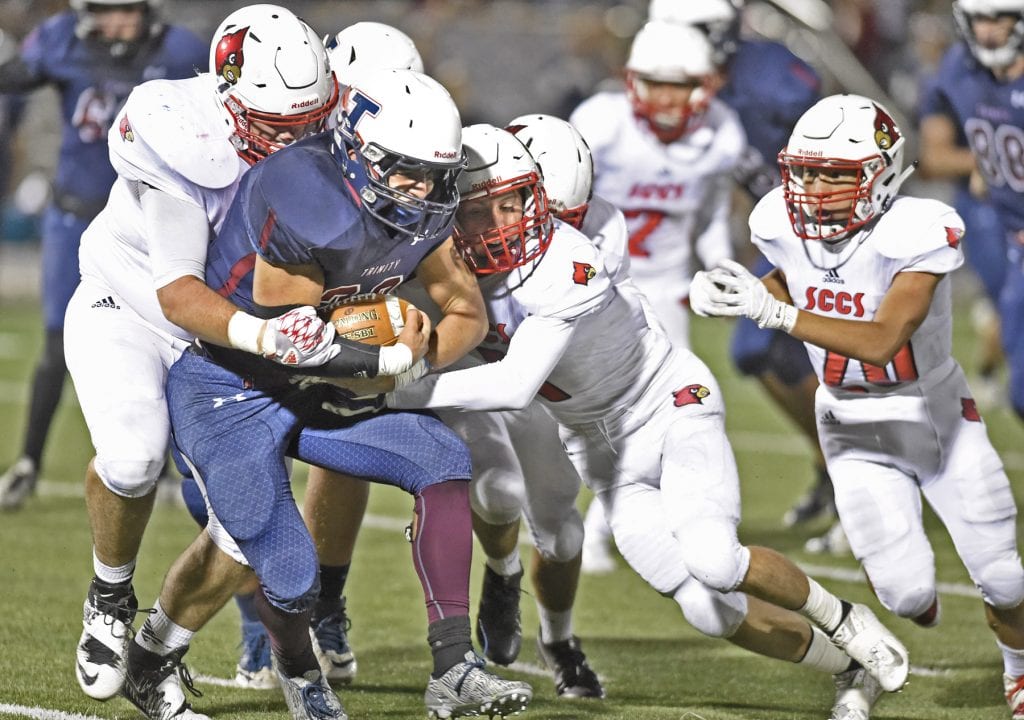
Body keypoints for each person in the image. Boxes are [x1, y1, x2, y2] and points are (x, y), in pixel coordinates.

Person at [386, 122, 911, 720]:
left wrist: (396, 391)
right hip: (599, 452)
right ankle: (849, 670)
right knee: (705, 609)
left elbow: (514, 384)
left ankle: (844, 619)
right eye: (484, 211)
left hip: (665, 408)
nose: (503, 222)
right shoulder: (454, 261)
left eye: (515, 203)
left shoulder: (569, 258)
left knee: (714, 556)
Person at [154, 68, 532, 720]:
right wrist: (382, 351)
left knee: (444, 462)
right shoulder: (303, 193)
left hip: (324, 382)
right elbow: (297, 343)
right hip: (237, 386)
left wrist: (413, 363)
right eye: (405, 172)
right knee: (287, 571)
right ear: (358, 152)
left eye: (433, 178)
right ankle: (245, 664)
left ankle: (454, 670)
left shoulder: (424, 209)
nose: (420, 193)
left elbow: (467, 314)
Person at [690, 92, 1024, 719]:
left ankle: (1019, 671)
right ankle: (914, 596)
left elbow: (881, 339)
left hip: (935, 420)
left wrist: (776, 313)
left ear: (881, 175)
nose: (815, 191)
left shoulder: (918, 229)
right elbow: (789, 277)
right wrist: (739, 290)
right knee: (904, 594)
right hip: (850, 425)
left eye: (835, 177)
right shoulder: (778, 221)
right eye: (806, 173)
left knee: (1003, 577)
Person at [62, 5, 342, 712]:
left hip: (224, 343)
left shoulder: (319, 135)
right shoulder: (177, 131)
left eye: (308, 122)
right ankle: (108, 594)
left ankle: (156, 652)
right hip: (131, 307)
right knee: (130, 459)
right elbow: (180, 292)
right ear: (229, 94)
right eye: (278, 126)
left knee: (250, 531)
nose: (297, 140)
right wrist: (272, 338)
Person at [647, 0, 844, 554]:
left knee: (839, 360)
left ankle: (859, 479)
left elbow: (842, 141)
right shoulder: (686, 86)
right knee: (756, 353)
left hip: (829, 226)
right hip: (782, 231)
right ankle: (834, 466)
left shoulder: (775, 79)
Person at [0, 0, 207, 511]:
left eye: (128, 10)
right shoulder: (59, 39)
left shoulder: (179, 50)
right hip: (75, 214)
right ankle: (27, 462)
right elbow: (16, 78)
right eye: (107, 10)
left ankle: (165, 465)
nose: (119, 22)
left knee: (170, 337)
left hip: (147, 222)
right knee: (55, 342)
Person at [568, 19, 744, 573]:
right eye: (657, 83)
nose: (669, 98)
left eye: (681, 84)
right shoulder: (600, 125)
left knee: (652, 421)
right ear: (632, 81)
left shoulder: (723, 134)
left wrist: (719, 269)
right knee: (575, 414)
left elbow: (709, 219)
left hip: (665, 294)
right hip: (595, 287)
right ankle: (568, 517)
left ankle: (605, 526)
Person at [298, 19, 427, 687]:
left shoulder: (393, 145)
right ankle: (258, 627)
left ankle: (319, 603)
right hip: (251, 291)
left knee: (350, 424)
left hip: (341, 287)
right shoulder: (286, 134)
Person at [926, 0, 1024, 422]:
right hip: (1014, 239)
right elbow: (934, 154)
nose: (989, 30)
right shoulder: (959, 70)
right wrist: (983, 165)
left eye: (1000, 17)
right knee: (1020, 395)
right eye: (980, 18)